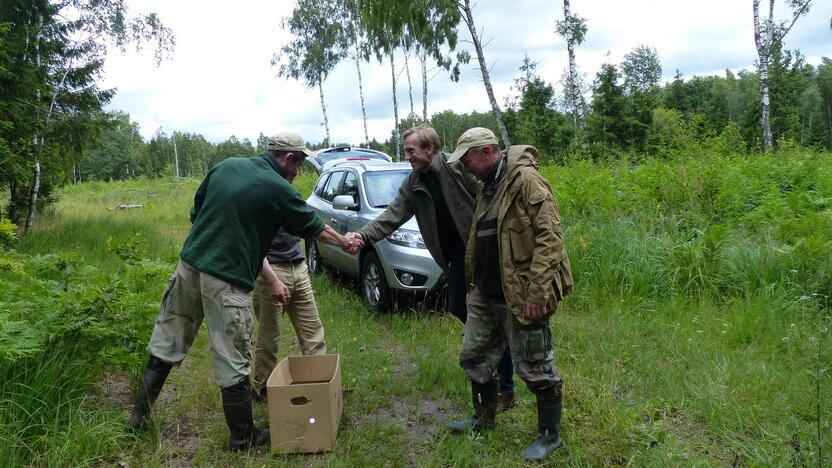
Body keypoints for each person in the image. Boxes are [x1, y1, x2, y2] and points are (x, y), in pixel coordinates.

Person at [128, 132, 361, 451]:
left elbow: (196, 212)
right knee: (232, 354)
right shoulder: (277, 187)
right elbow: (313, 226)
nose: (298, 172)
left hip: (189, 266)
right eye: (299, 164)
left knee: (168, 337)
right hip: (226, 277)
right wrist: (346, 242)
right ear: (287, 157)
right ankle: (243, 436)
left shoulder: (226, 166)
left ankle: (137, 418)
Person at [345, 126, 517, 409]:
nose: (407, 156)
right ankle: (495, 370)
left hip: (481, 254)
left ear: (430, 149)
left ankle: (505, 387)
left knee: (489, 317)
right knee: (462, 309)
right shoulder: (413, 183)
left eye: (412, 150)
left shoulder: (457, 167)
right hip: (453, 259)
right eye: (407, 150)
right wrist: (362, 236)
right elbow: (391, 216)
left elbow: (491, 193)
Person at [445, 128, 573, 462]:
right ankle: (483, 418)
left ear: (487, 151)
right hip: (485, 294)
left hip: (522, 295)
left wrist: (538, 290)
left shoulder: (527, 180)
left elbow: (551, 238)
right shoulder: (485, 186)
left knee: (535, 367)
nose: (465, 167)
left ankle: (549, 437)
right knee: (475, 358)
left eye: (468, 159)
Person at [250, 227, 326, 402]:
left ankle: (320, 384)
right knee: (269, 338)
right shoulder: (257, 199)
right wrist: (272, 280)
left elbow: (307, 223)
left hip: (298, 267)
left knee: (313, 334)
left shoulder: (291, 198)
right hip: (272, 270)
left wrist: (341, 240)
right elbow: (252, 244)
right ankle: (262, 390)